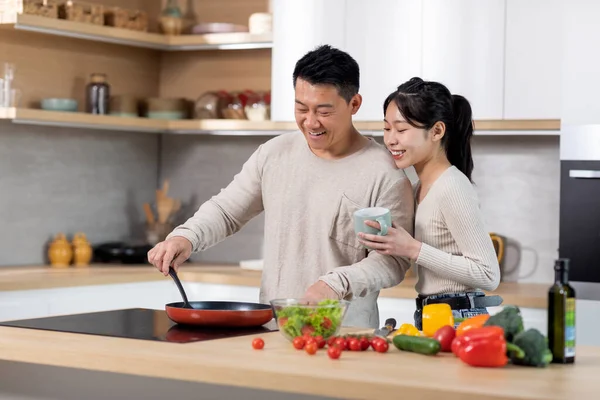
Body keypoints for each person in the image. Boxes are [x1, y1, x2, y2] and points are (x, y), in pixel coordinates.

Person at [147, 45, 415, 328]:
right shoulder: (274, 154)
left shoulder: (385, 174)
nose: (310, 122)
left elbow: (392, 262)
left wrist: (336, 284)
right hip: (274, 330)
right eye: (302, 108)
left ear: (354, 104)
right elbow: (227, 211)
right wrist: (185, 238)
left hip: (344, 336)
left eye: (324, 111)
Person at [357, 77, 502, 330]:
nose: (391, 140)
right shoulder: (418, 188)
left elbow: (488, 274)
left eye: (401, 130)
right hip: (433, 315)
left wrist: (413, 248)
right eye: (387, 128)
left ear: (436, 131)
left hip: (460, 319)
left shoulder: (452, 187)